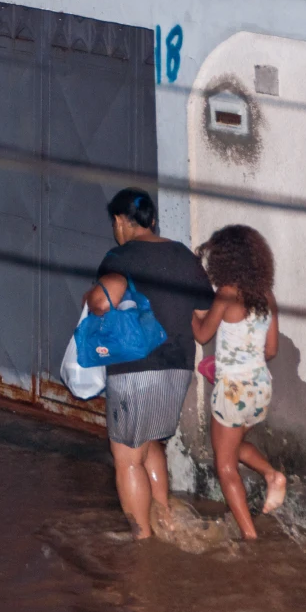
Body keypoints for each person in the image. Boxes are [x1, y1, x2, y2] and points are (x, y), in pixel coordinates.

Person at [84, 188, 215, 539]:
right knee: (152, 442)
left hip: (135, 372)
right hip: (178, 367)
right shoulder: (183, 256)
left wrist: (92, 300)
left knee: (127, 459)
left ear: (119, 221)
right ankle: (165, 519)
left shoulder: (119, 257)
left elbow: (102, 302)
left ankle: (142, 541)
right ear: (152, 220)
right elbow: (204, 316)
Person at [192, 225, 286, 539]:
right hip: (260, 388)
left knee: (224, 466)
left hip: (233, 391)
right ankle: (271, 475)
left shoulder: (226, 294)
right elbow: (271, 350)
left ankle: (250, 537)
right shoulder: (266, 296)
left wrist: (191, 310)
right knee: (231, 448)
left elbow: (202, 334)